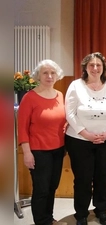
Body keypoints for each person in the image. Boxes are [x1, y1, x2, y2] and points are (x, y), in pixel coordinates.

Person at [65, 52, 106, 225]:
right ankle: (81, 213)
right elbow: (70, 113)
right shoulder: (76, 85)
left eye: (99, 65)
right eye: (92, 65)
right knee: (83, 178)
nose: (95, 68)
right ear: (85, 68)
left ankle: (101, 209)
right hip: (79, 141)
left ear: (104, 68)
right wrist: (86, 134)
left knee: (102, 176)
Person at [18, 59, 66, 225]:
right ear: (38, 75)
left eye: (52, 72)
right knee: (41, 190)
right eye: (45, 72)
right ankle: (41, 222)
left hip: (58, 149)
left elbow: (62, 120)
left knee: (52, 187)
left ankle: (49, 219)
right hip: (38, 151)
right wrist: (27, 153)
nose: (49, 76)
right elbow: (22, 128)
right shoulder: (29, 98)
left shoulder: (60, 95)